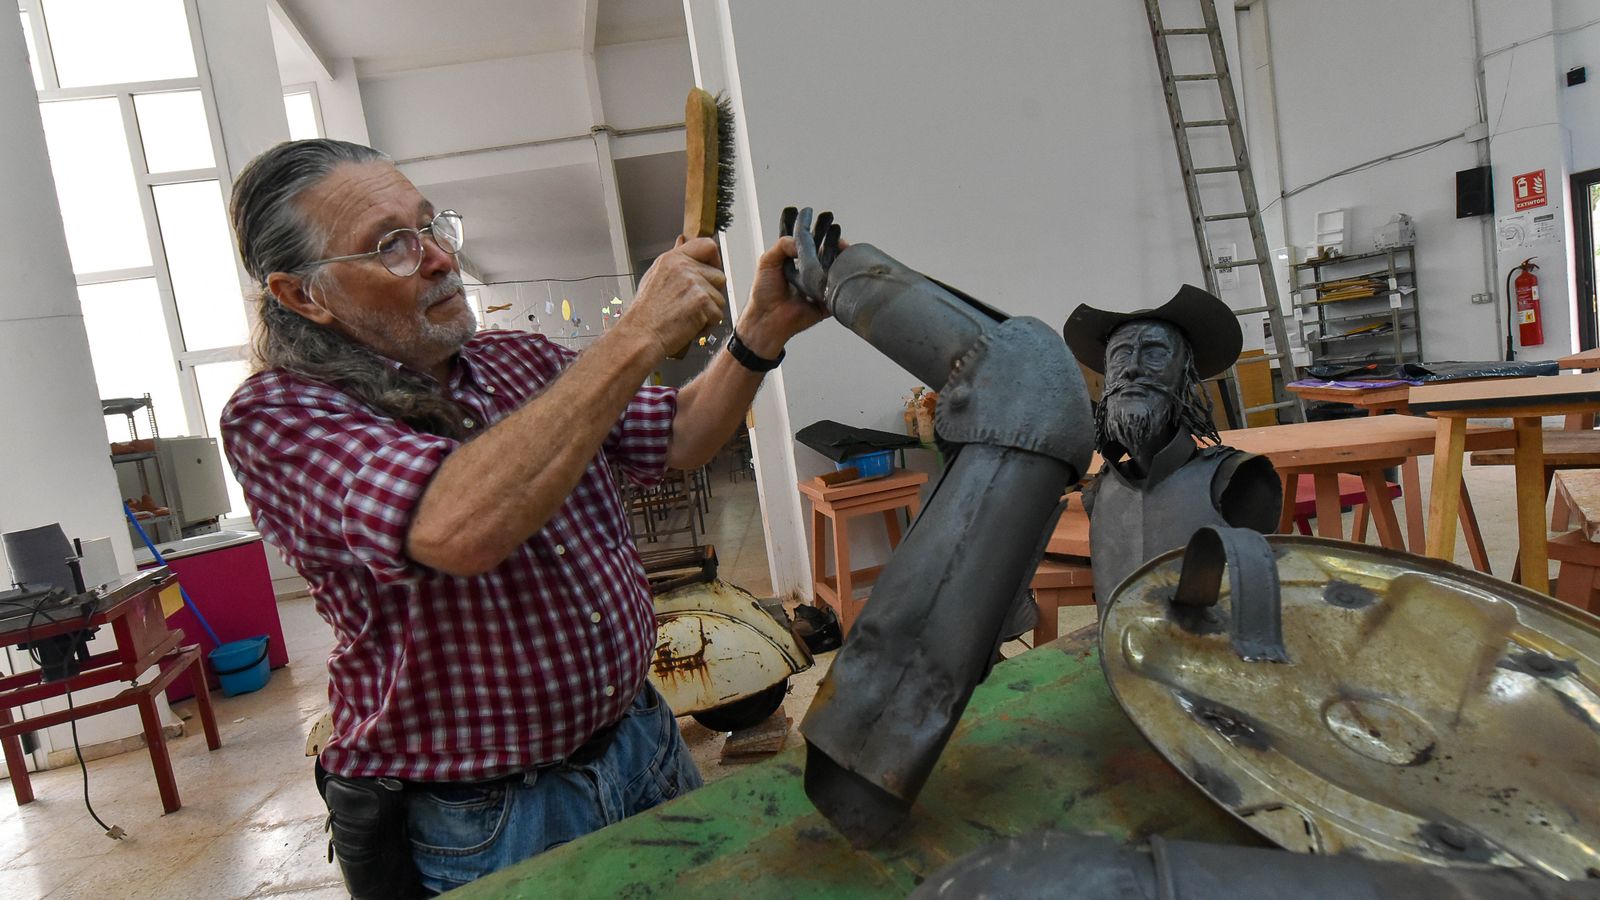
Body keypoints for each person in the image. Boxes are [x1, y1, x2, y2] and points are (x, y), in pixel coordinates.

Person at [220, 138, 829, 896]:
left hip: (641, 742)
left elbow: (679, 436)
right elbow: (458, 526)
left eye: (431, 226)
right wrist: (635, 333)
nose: (438, 257)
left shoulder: (518, 360)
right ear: (303, 295)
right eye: (392, 247)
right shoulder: (283, 415)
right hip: (490, 818)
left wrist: (759, 332)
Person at [1062, 285, 1281, 607]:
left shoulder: (1237, 480)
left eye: (1154, 353)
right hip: (1118, 653)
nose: (1133, 368)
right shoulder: (1100, 490)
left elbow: (1260, 601)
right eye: (1121, 354)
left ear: (1184, 374)